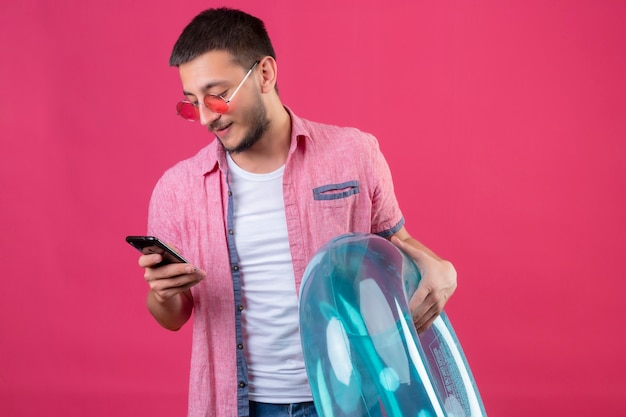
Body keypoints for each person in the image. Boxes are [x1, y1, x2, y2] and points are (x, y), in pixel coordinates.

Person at [137, 7, 457, 417]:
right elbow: (172, 317)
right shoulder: (177, 190)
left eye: (217, 96)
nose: (204, 117)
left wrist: (443, 268)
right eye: (191, 103)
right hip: (240, 405)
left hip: (350, 398)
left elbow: (396, 245)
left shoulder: (354, 154)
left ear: (266, 74)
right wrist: (163, 293)